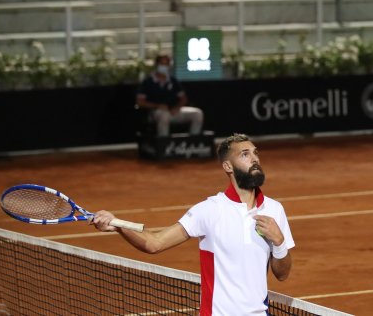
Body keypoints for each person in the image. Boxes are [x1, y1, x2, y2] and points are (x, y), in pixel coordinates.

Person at [91, 134, 294, 316]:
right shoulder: (209, 210)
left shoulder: (274, 210)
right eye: (245, 154)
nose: (255, 159)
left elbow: (282, 274)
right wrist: (118, 225)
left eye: (255, 153)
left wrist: (279, 242)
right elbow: (154, 243)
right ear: (227, 167)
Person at [137, 54, 204, 137]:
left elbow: (184, 99)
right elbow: (140, 102)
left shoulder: (173, 80)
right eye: (162, 64)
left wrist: (176, 107)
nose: (164, 67)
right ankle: (164, 145)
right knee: (164, 116)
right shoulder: (147, 81)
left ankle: (193, 143)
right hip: (156, 112)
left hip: (174, 111)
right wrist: (157, 106)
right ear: (157, 65)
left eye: (166, 64)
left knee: (197, 113)